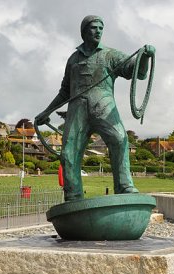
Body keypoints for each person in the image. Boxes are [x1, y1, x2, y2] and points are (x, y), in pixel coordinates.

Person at [35, 15, 155, 201]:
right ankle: (73, 196)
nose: (98, 31)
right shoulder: (73, 59)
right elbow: (65, 91)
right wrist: (46, 111)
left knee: (120, 139)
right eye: (93, 27)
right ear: (84, 32)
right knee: (68, 153)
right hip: (77, 110)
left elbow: (137, 72)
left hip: (104, 106)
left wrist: (146, 56)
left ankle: (124, 187)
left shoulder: (110, 55)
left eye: (100, 28)